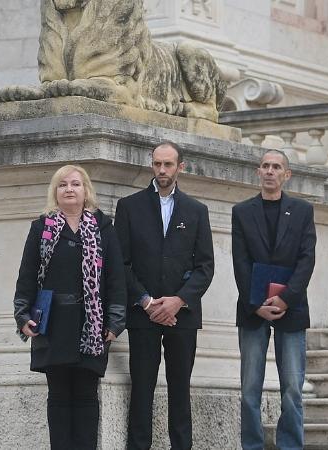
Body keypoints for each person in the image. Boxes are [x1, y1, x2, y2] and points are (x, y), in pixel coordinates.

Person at [13, 164, 127, 449]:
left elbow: (116, 278)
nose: (69, 189)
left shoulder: (103, 227)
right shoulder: (42, 227)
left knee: (87, 398)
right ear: (55, 192)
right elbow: (27, 275)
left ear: (86, 190)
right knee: (59, 397)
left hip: (92, 326)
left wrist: (114, 323)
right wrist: (23, 316)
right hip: (52, 325)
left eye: (75, 184)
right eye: (62, 185)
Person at [115, 141, 215, 450]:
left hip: (181, 316)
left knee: (180, 390)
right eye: (157, 163)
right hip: (142, 314)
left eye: (168, 164)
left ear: (180, 167)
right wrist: (146, 301)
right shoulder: (129, 207)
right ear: (151, 165)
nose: (162, 170)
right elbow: (121, 263)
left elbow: (205, 267)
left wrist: (178, 300)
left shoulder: (197, 211)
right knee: (142, 389)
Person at [231, 149, 316, 450]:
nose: (270, 171)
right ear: (258, 171)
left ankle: (290, 445)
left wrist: (285, 299)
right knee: (248, 389)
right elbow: (239, 261)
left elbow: (307, 260)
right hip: (252, 309)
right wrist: (256, 305)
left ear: (286, 174)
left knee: (293, 387)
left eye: (276, 166)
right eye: (265, 166)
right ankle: (252, 446)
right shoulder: (241, 211)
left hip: (291, 308)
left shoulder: (303, 211)